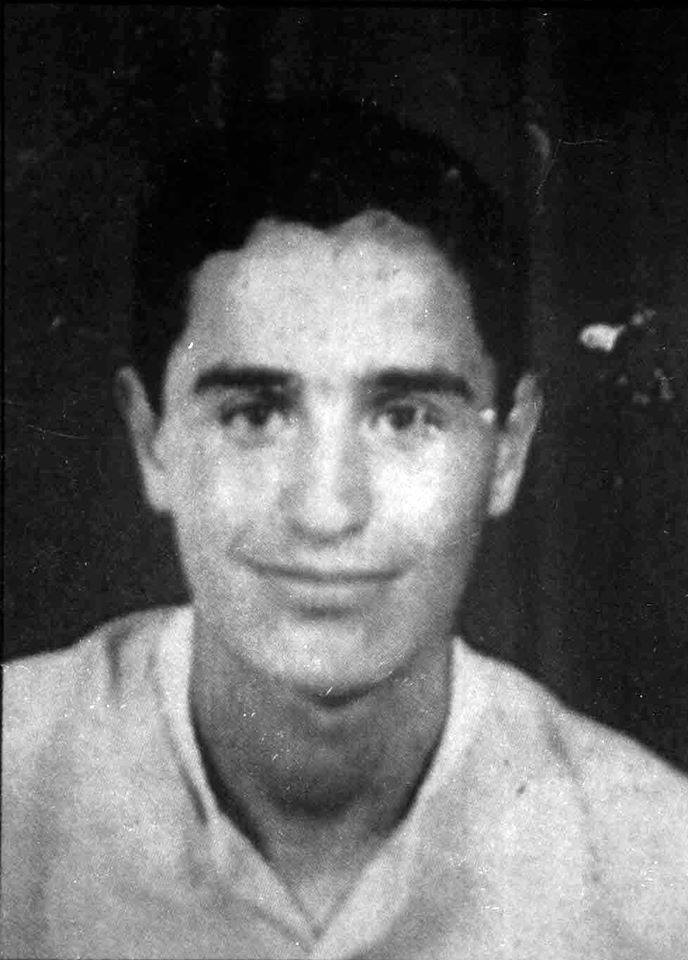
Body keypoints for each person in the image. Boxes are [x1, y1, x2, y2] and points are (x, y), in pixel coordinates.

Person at [2, 97, 686, 960]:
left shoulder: (658, 877)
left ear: (508, 449)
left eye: (404, 418)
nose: (327, 510)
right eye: (255, 414)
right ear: (151, 442)